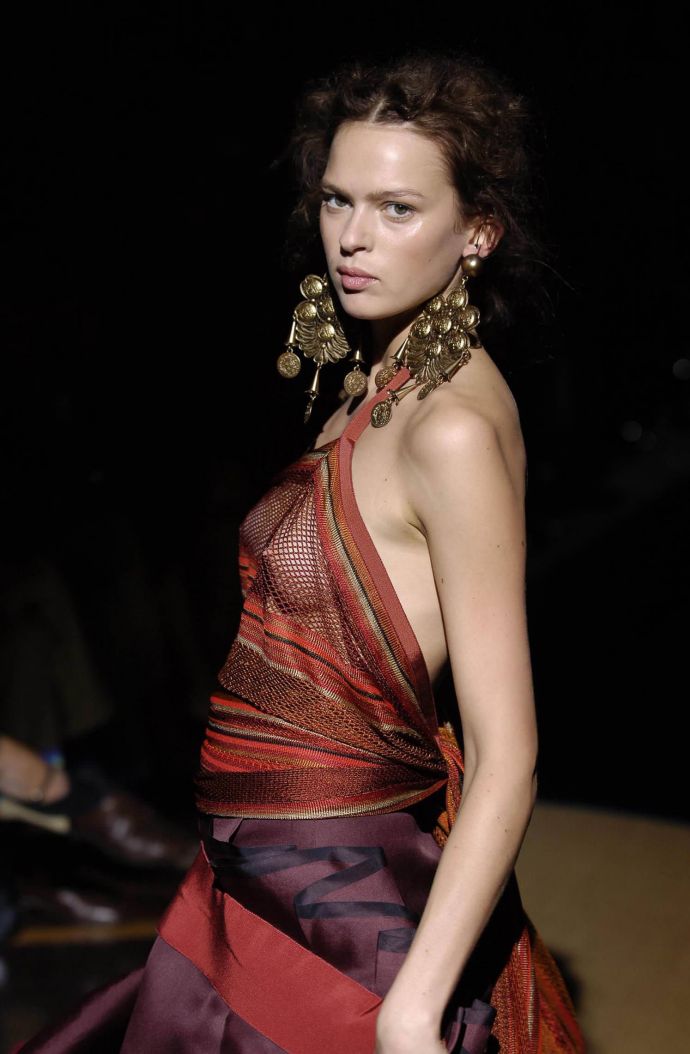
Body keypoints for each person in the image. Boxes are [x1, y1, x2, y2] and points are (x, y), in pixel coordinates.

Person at [16, 49, 586, 1054]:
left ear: (479, 232)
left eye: (397, 209)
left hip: (337, 908)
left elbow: (509, 753)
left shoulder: (451, 430)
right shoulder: (385, 383)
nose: (352, 238)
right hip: (258, 879)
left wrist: (412, 1007)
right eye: (336, 200)